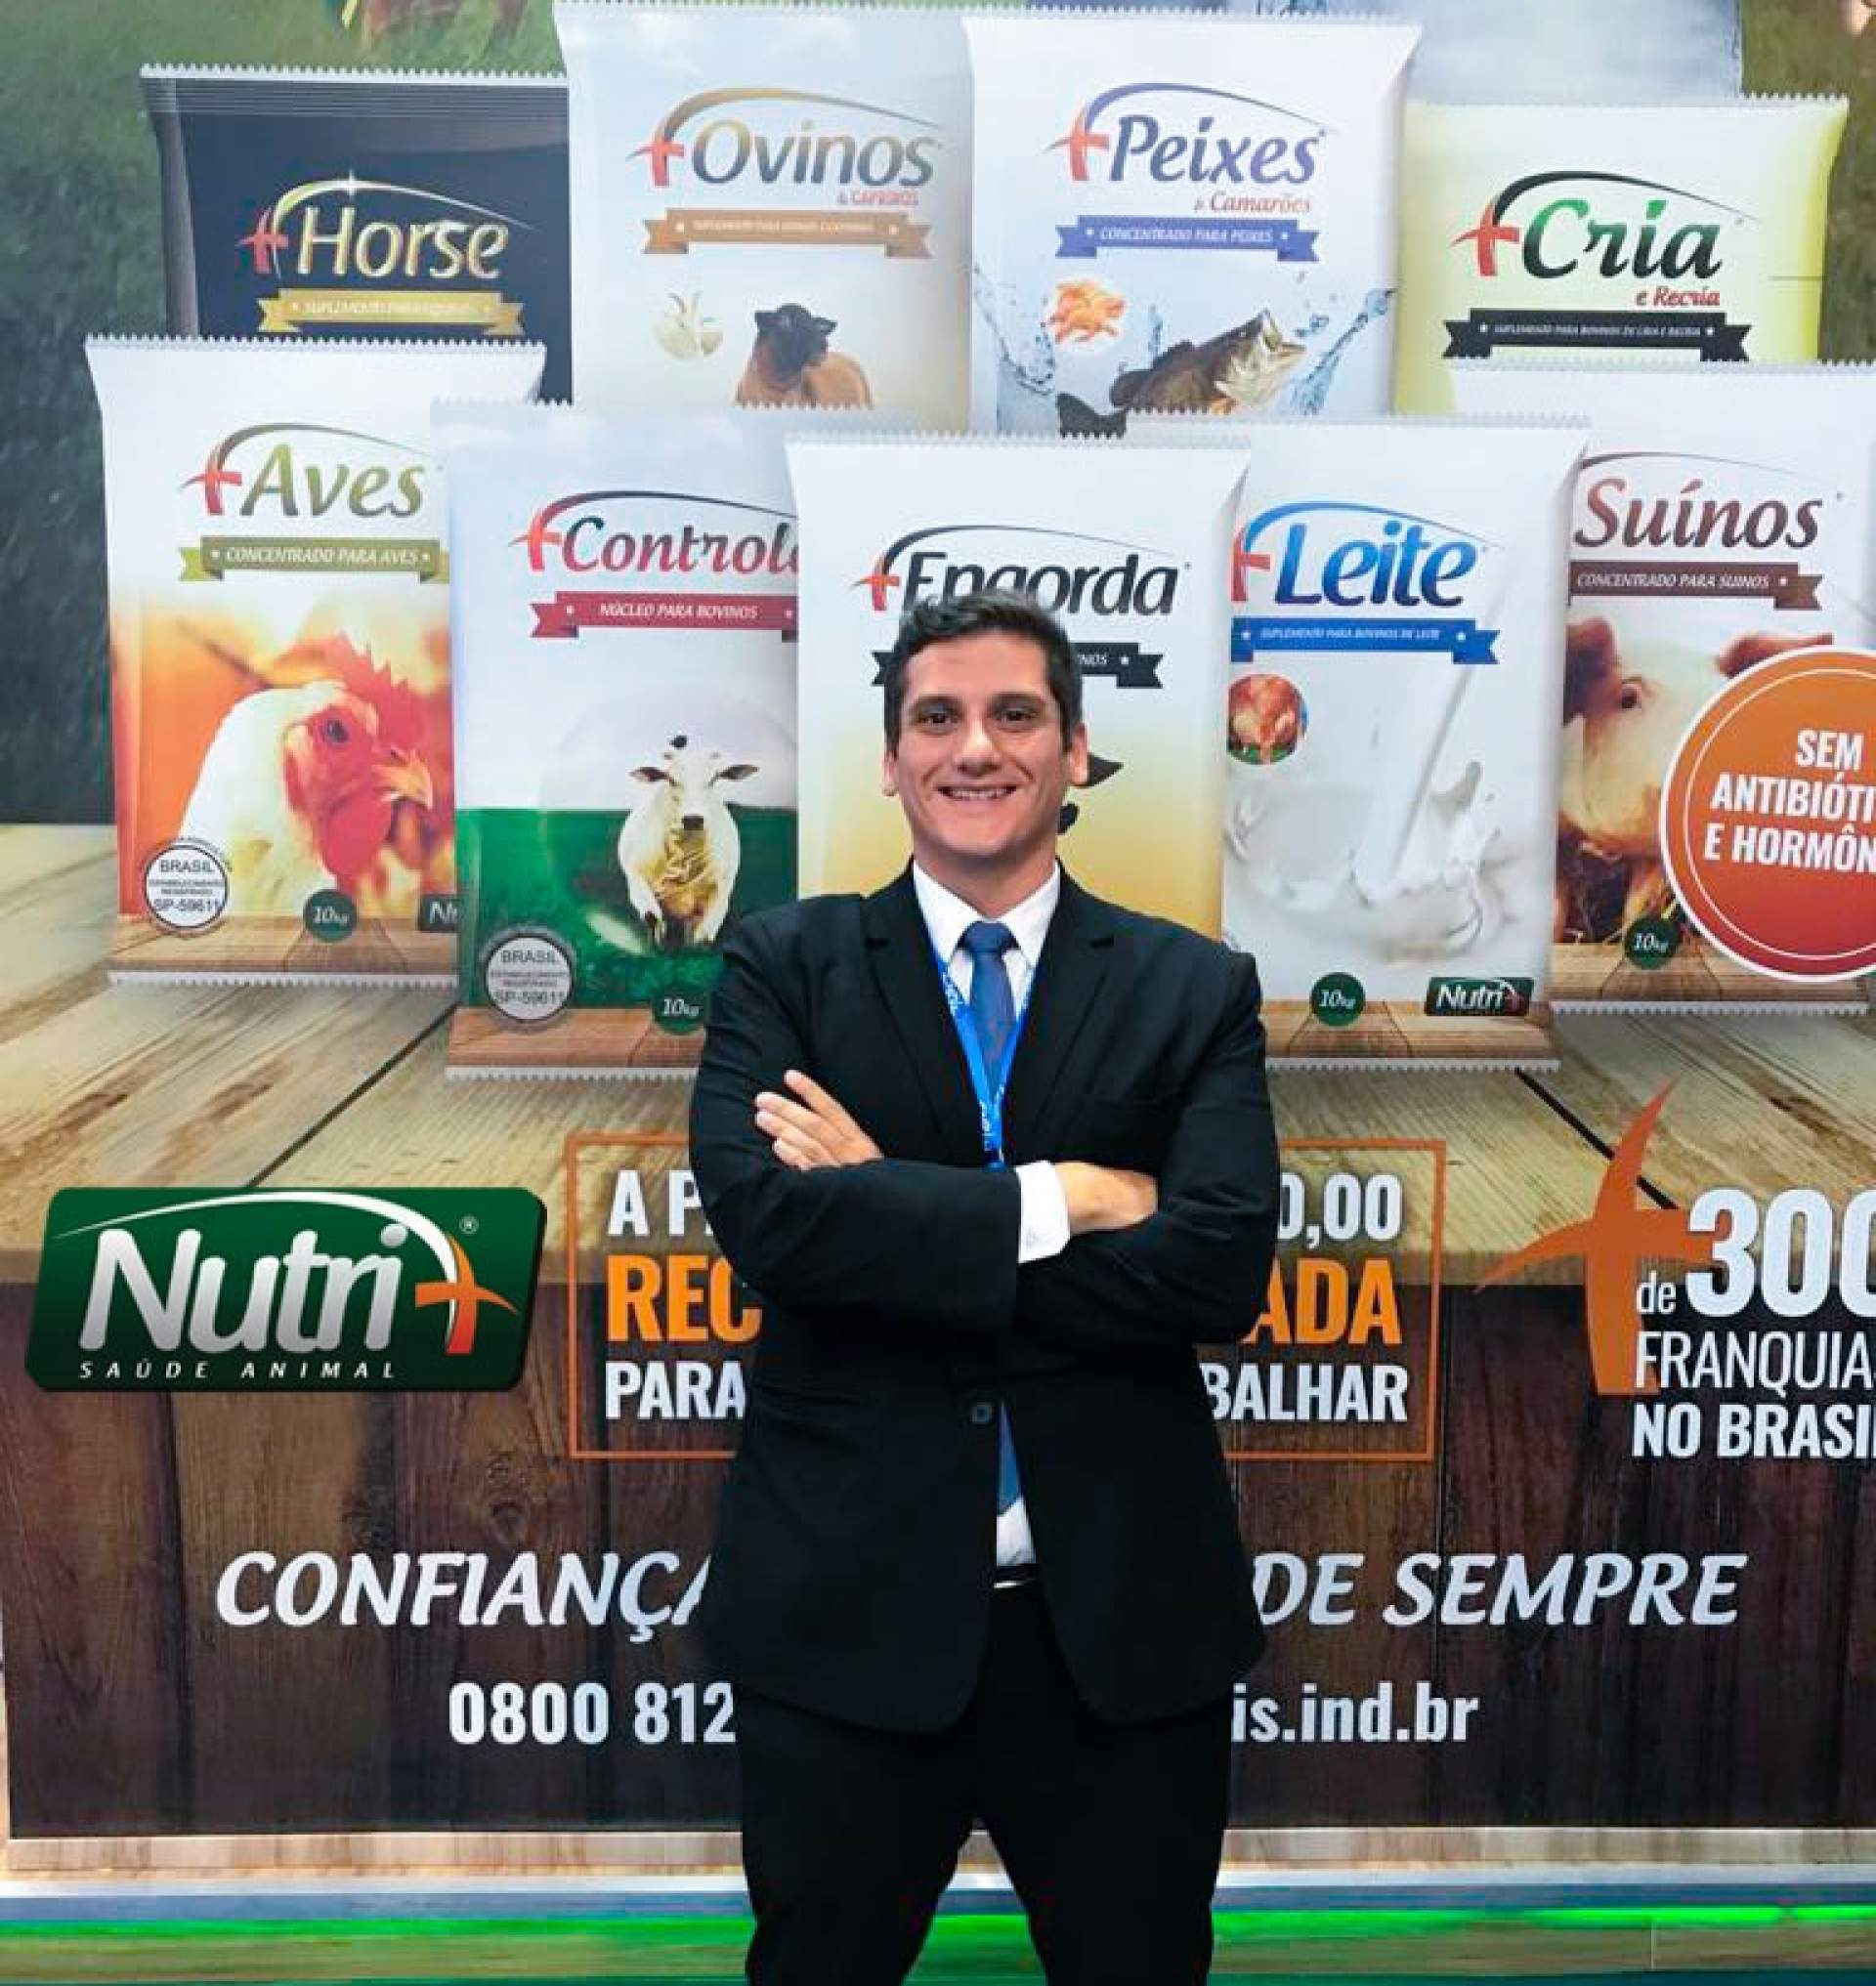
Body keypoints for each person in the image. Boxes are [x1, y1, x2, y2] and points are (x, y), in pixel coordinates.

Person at [689, 590, 1279, 1986]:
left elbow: (1216, 1267)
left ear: (1075, 752)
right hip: (848, 1621)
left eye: (1016, 714)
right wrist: (1071, 1198)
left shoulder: (1193, 987)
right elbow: (775, 1230)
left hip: (1118, 1633)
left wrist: (889, 1206)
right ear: (890, 759)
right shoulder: (786, 966)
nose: (975, 747)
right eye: (936, 717)